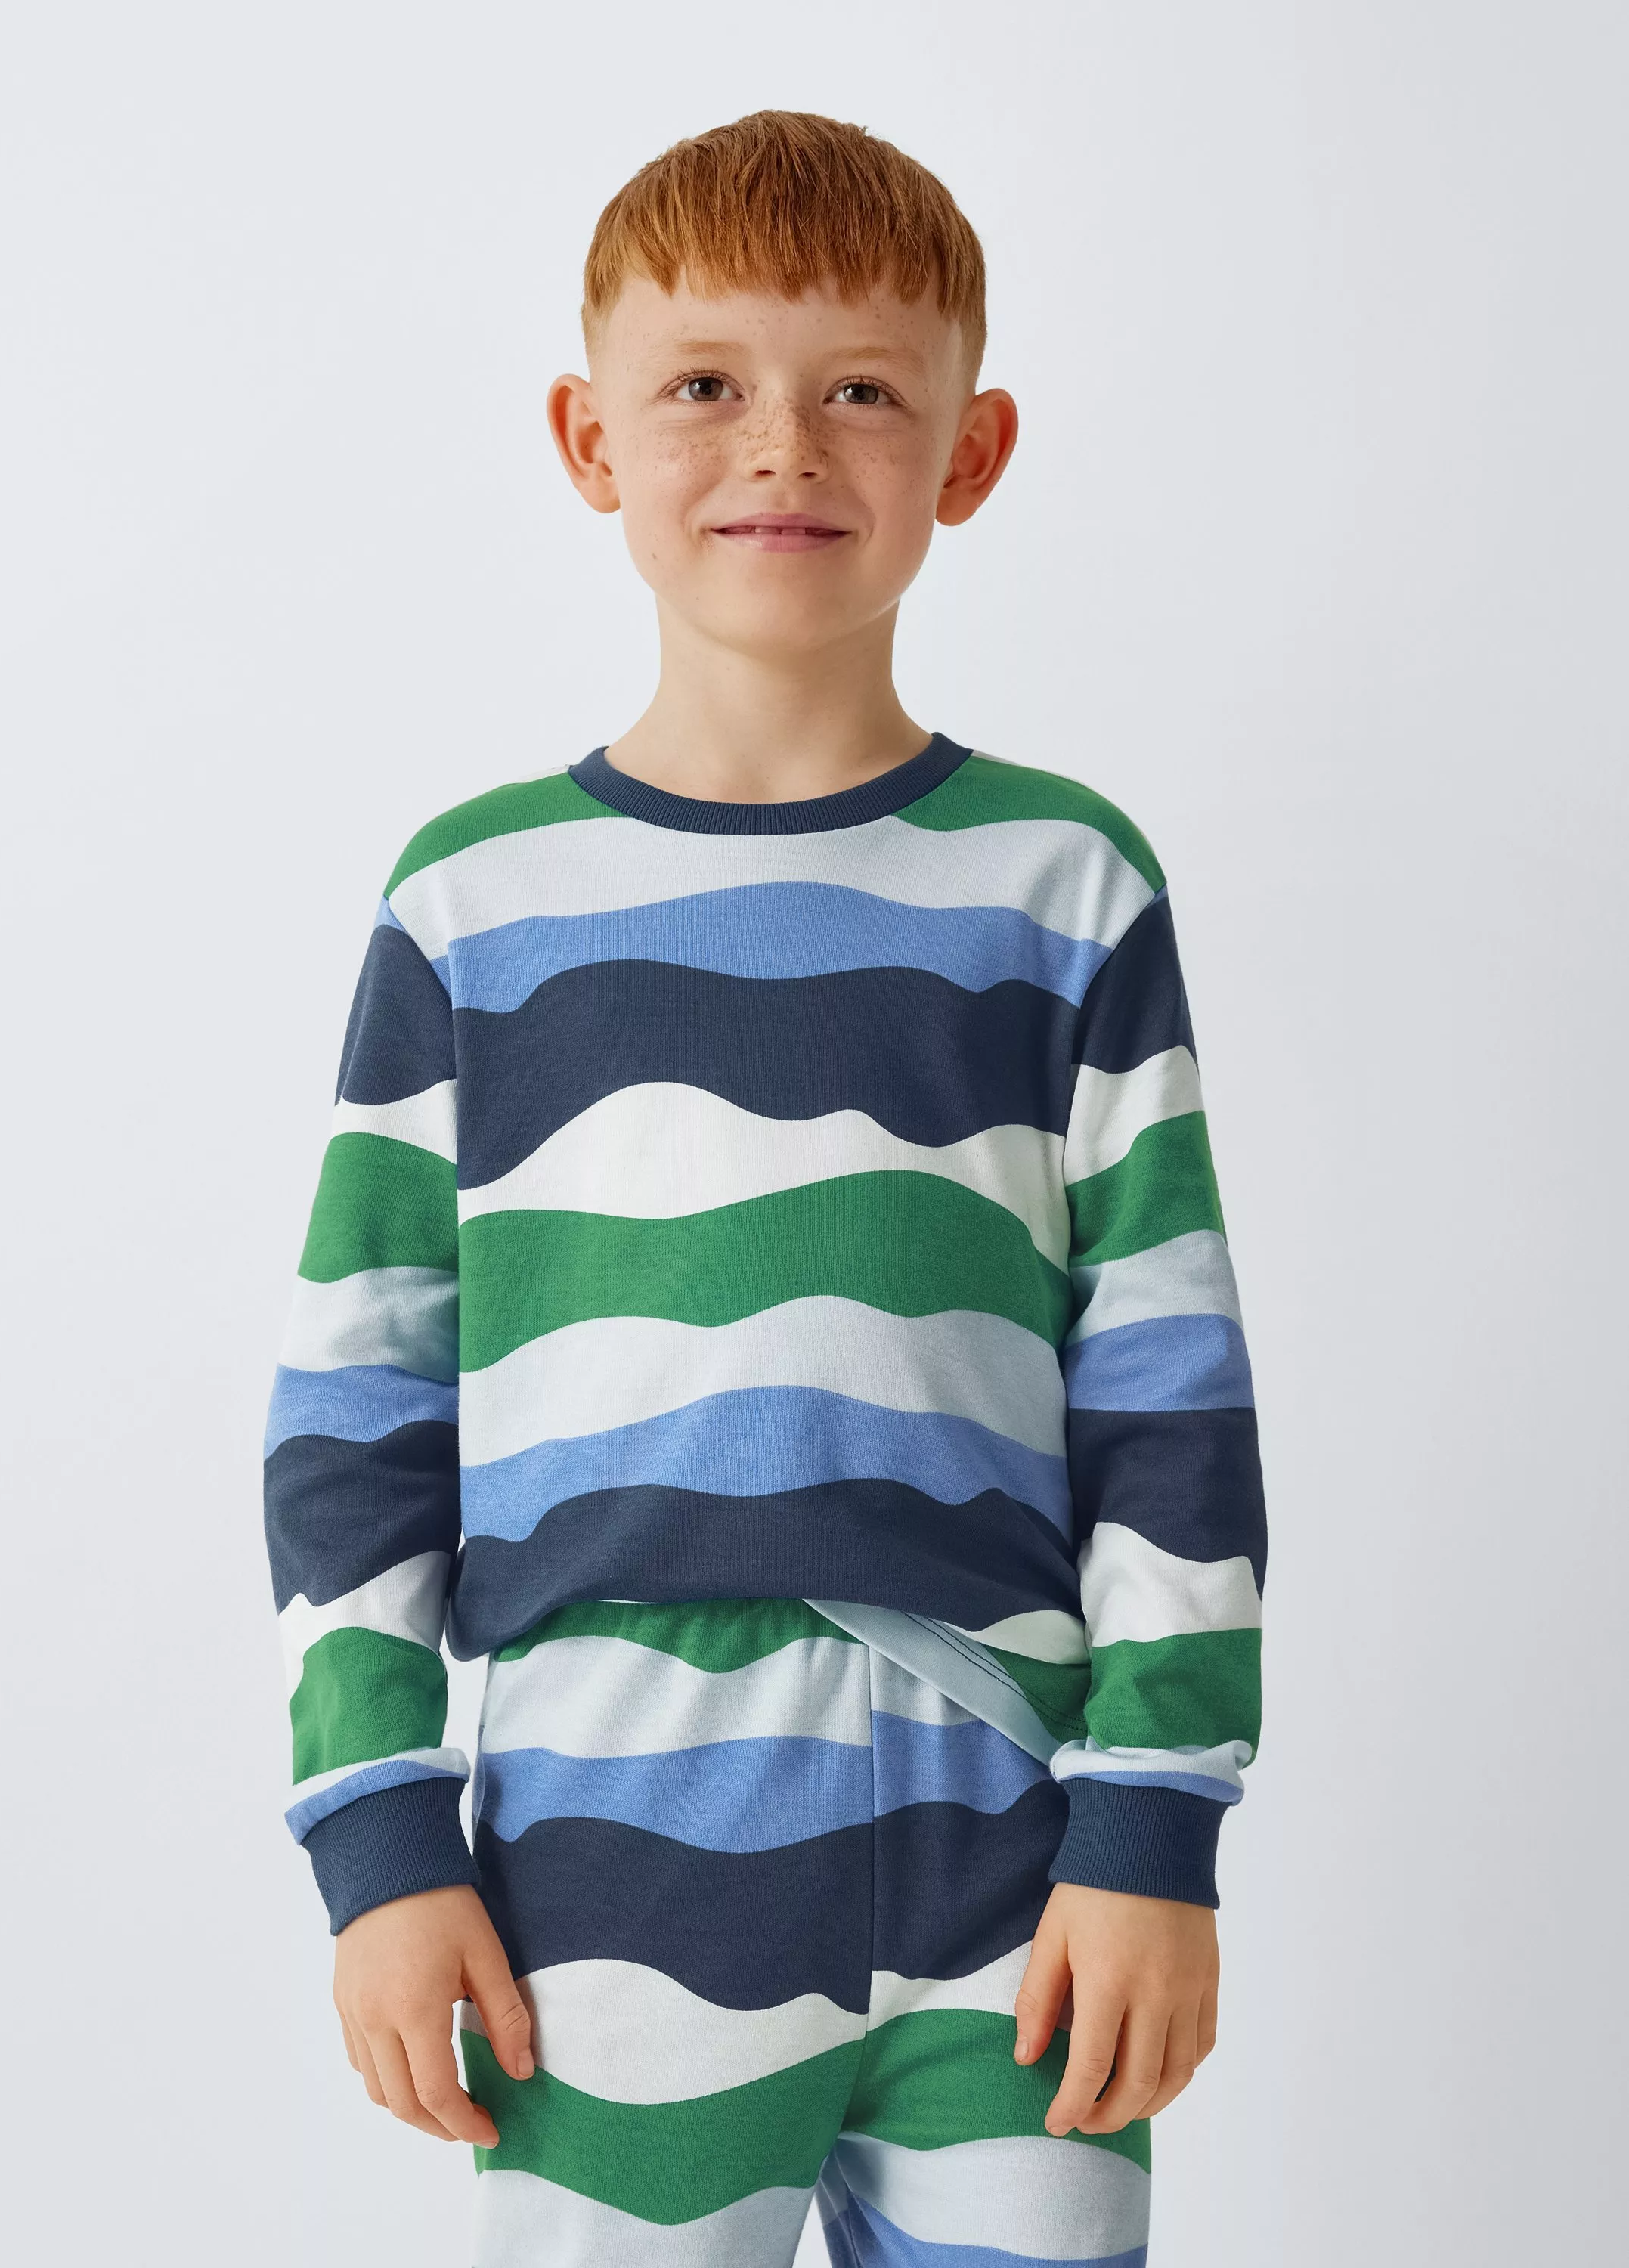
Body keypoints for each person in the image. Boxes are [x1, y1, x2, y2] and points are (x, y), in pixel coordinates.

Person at [263, 109, 1266, 2268]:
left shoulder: (1065, 886)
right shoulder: (476, 907)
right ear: (590, 438)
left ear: (971, 451)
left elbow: (1171, 1391)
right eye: (705, 382)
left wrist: (1157, 1827)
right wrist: (379, 1838)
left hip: (1022, 1844)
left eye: (864, 390)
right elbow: (357, 1409)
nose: (782, 447)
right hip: (606, 1838)